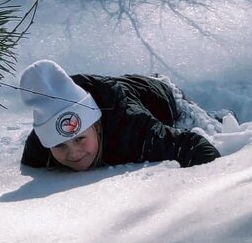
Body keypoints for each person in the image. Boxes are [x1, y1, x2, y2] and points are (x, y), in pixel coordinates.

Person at [19, 59, 221, 171]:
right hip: (118, 90)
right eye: (60, 145)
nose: (73, 153)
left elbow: (195, 146)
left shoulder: (133, 130)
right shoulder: (39, 147)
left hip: (164, 96)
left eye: (80, 138)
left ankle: (222, 116)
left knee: (209, 126)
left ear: (97, 126)